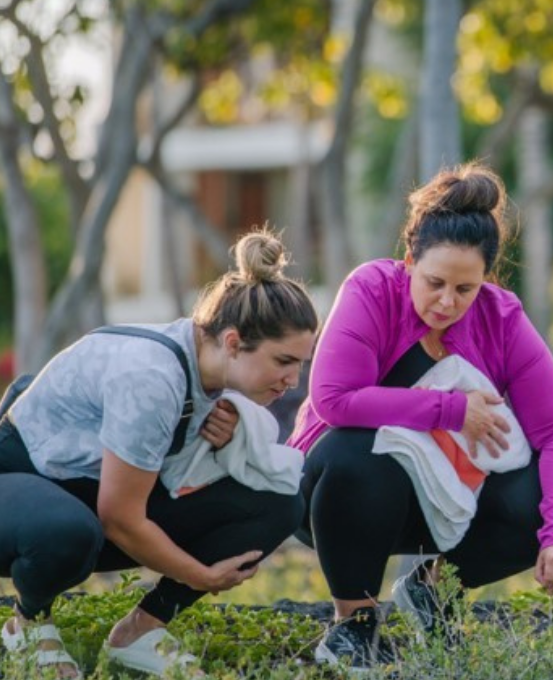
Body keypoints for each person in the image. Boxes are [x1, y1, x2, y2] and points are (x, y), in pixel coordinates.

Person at [287, 162, 553, 673]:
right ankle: (354, 626)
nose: (447, 301)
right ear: (409, 261)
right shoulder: (371, 289)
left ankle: (431, 590)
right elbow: (334, 399)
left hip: (442, 501)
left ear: (485, 280)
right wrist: (451, 410)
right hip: (333, 495)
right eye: (435, 282)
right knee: (356, 451)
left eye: (465, 289)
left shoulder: (503, 317)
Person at [0, 230, 317, 678]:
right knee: (69, 532)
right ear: (231, 342)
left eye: (300, 364)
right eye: (283, 361)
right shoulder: (152, 378)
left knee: (276, 504)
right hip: (17, 485)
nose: (293, 379)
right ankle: (29, 624)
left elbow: (158, 471)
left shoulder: (207, 369)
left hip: (85, 493)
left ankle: (141, 630)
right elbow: (119, 517)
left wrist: (221, 439)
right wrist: (198, 575)